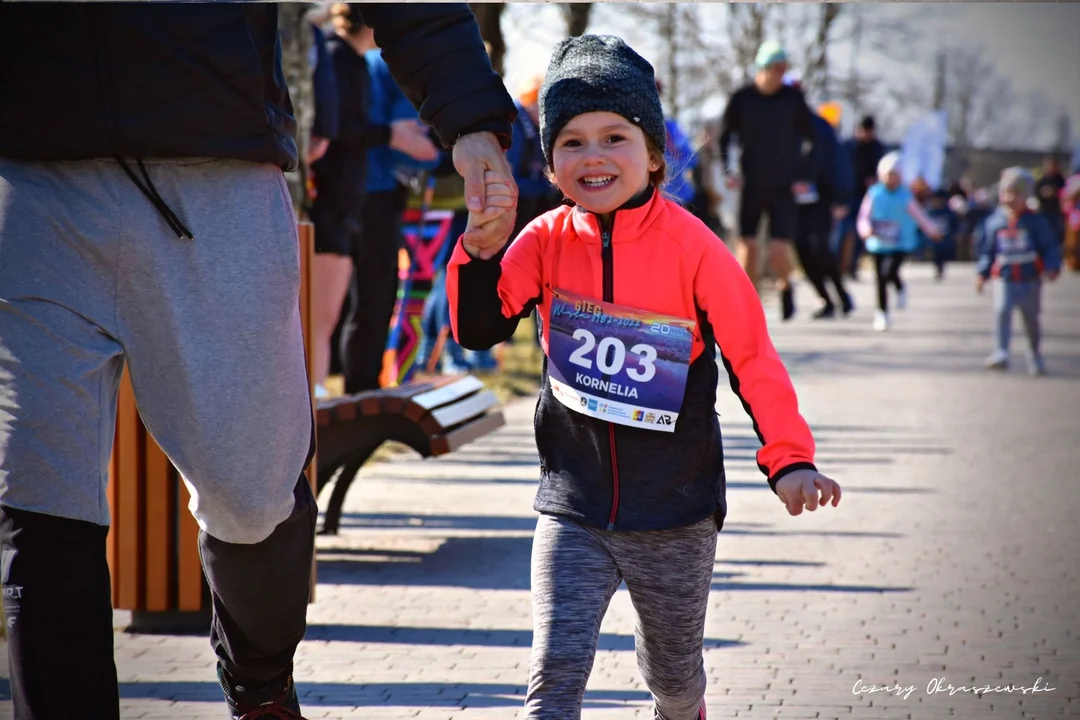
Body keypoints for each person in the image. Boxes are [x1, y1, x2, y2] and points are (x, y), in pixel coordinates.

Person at [0, 3, 518, 719]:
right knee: (40, 498)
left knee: (254, 500)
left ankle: (261, 687)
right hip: (28, 188)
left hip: (215, 169)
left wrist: (470, 122)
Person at [446, 35, 841, 719]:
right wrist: (479, 253)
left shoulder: (696, 247)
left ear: (654, 154)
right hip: (573, 503)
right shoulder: (541, 241)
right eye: (570, 142)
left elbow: (753, 361)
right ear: (549, 163)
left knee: (674, 679)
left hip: (675, 511)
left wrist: (791, 460)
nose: (593, 156)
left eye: (614, 137)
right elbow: (479, 329)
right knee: (555, 671)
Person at [718, 40, 818, 321]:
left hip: (784, 186)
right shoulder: (742, 98)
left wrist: (804, 176)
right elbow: (725, 138)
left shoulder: (793, 99)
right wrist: (729, 171)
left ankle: (786, 285)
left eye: (784, 69)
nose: (780, 74)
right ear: (762, 68)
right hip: (750, 183)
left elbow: (814, 140)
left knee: (777, 249)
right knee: (747, 247)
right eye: (776, 68)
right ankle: (747, 302)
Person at [976, 167, 1062, 376]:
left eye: (1016, 194)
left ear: (1026, 196)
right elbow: (987, 250)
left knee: (1031, 319)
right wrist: (982, 273)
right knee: (1001, 311)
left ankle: (1035, 355)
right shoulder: (995, 222)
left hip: (1029, 279)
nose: (1010, 198)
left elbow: (1049, 246)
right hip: (1004, 278)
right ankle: (1001, 352)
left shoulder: (1035, 222)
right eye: (1006, 193)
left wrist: (1052, 267)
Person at [856, 152, 943, 331]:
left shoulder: (905, 195)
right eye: (888, 175)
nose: (891, 179)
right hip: (878, 242)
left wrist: (932, 230)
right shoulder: (874, 193)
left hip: (900, 243)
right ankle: (882, 313)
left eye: (894, 175)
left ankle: (900, 287)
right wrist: (865, 230)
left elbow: (919, 216)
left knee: (889, 272)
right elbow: (864, 215)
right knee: (880, 278)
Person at [843, 115, 886, 279]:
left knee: (861, 233)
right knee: (844, 232)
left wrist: (874, 179)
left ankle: (853, 265)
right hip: (848, 195)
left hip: (868, 197)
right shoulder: (849, 146)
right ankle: (840, 265)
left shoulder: (877, 148)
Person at [1034, 156, 1066, 246]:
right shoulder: (1042, 180)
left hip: (1057, 213)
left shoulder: (1061, 180)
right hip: (1044, 212)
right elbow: (1036, 193)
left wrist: (1055, 192)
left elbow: (1065, 193)